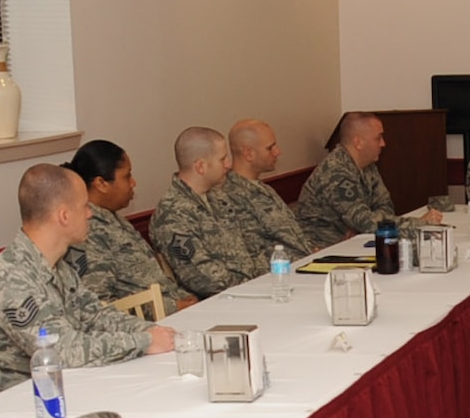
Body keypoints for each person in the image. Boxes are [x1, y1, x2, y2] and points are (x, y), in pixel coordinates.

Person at [0, 164, 176, 394]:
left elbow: (95, 315)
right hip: (15, 402)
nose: (90, 214)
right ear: (64, 216)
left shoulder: (57, 264)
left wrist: (151, 331)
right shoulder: (10, 278)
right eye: (85, 206)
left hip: (63, 387)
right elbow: (64, 351)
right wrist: (143, 341)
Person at [62, 139, 197, 313]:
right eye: (127, 176)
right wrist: (172, 307)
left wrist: (182, 298)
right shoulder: (86, 233)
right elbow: (99, 305)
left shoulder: (113, 217)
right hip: (147, 323)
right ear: (101, 184)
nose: (133, 183)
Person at [149, 126, 263, 298]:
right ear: (201, 166)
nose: (228, 164)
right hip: (219, 300)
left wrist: (263, 278)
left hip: (250, 289)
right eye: (222, 159)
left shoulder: (218, 197)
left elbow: (252, 244)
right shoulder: (172, 214)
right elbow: (201, 278)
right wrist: (250, 285)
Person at [298, 112, 440, 244]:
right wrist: (419, 223)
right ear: (358, 142)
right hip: (321, 248)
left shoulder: (367, 165)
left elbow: (385, 205)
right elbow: (365, 221)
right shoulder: (335, 171)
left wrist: (362, 225)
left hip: (354, 243)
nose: (383, 143)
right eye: (378, 138)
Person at [211, 119, 315, 257]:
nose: (278, 152)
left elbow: (292, 235)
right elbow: (253, 253)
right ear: (248, 153)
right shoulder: (230, 196)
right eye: (270, 148)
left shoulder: (263, 189)